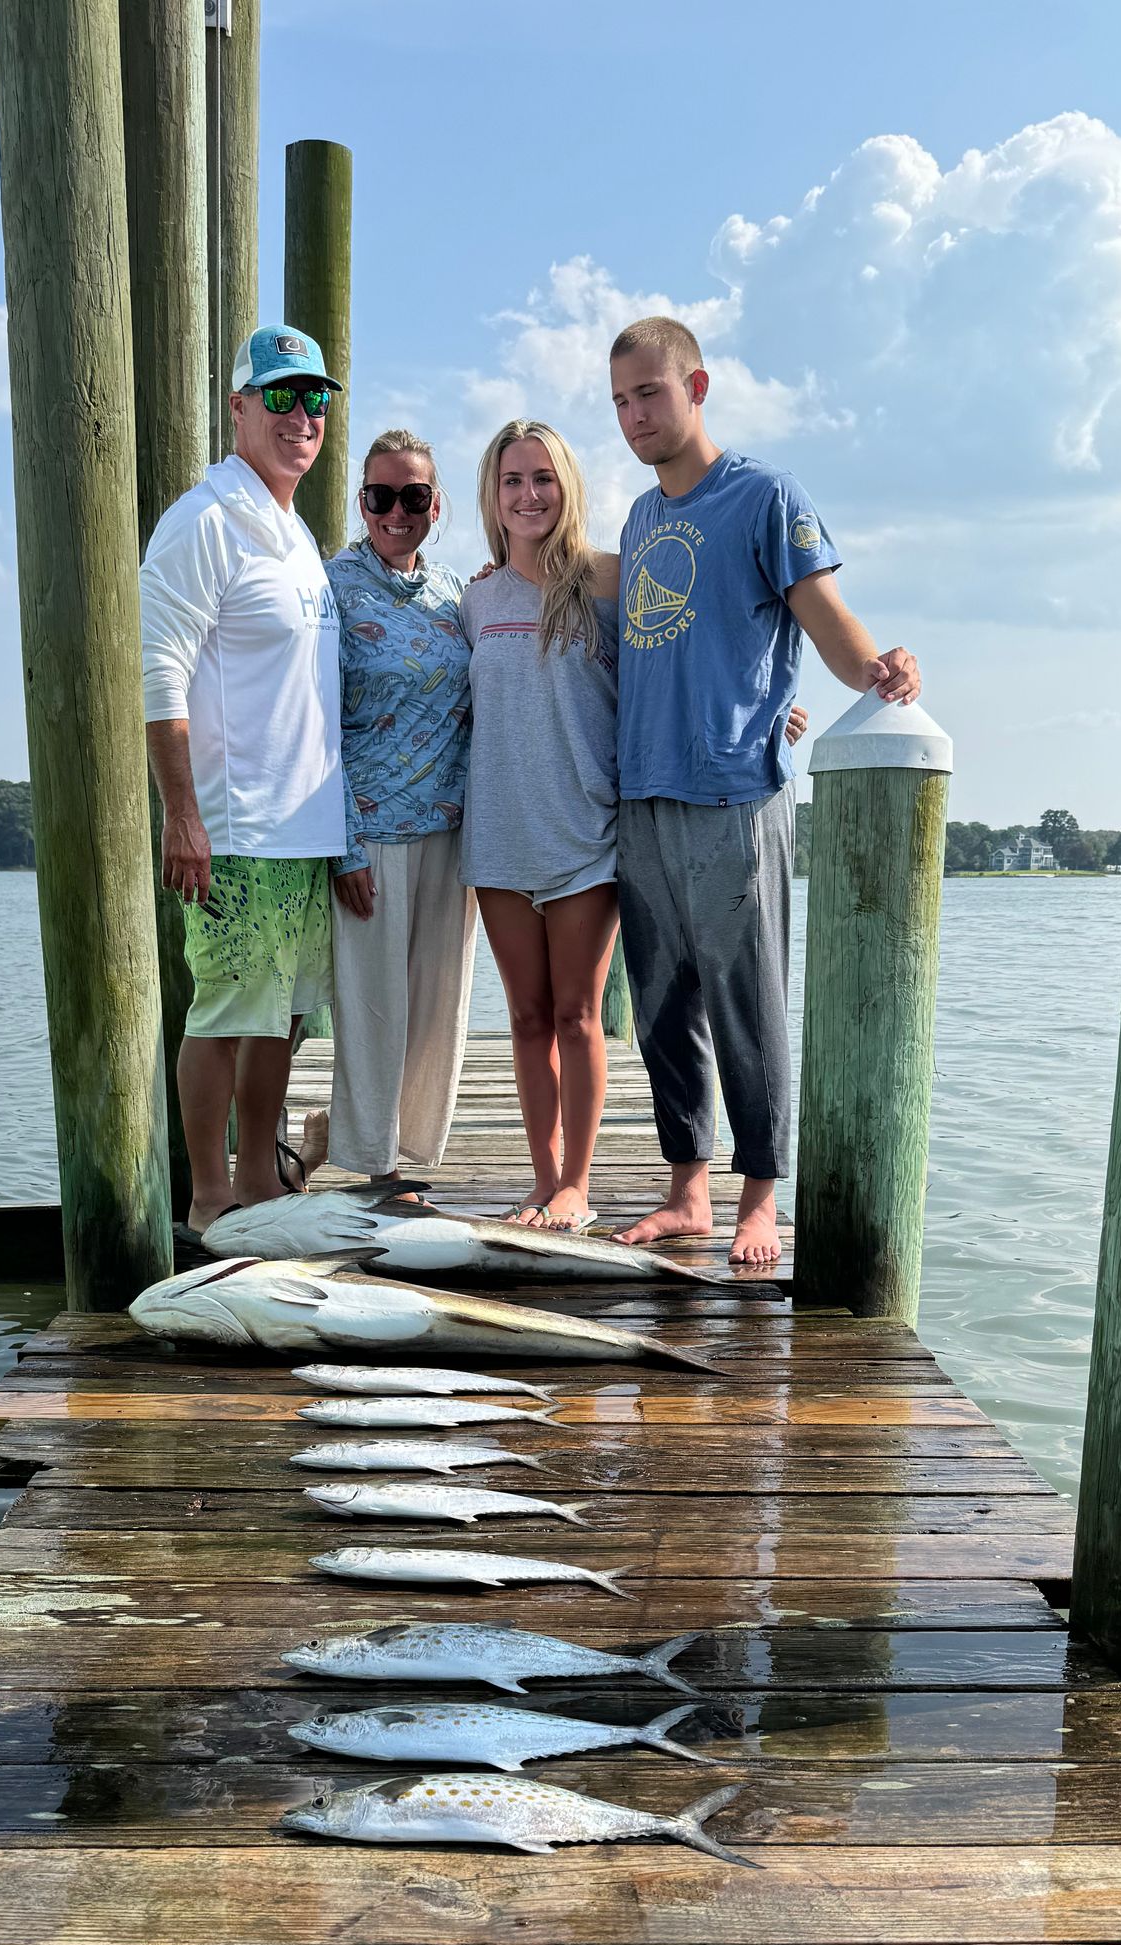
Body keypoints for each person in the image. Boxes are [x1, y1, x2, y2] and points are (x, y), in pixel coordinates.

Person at [606, 315, 921, 1268]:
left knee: (747, 995)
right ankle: (686, 1190)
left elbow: (822, 618)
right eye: (620, 401)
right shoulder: (639, 516)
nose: (634, 416)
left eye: (649, 393)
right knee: (661, 1000)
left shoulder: (765, 497)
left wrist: (875, 667)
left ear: (696, 388)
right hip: (644, 792)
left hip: (736, 787)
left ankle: (759, 1195)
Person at [138, 323, 344, 1231]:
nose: (301, 416)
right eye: (281, 396)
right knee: (223, 1010)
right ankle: (208, 1197)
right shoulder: (205, 521)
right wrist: (183, 814)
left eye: (316, 398)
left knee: (280, 1015)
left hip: (303, 829)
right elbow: (159, 673)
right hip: (236, 824)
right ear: (238, 408)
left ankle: (261, 1179)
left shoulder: (295, 533)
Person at [459, 420, 623, 1230]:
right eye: (512, 480)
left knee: (577, 1015)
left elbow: (685, 664)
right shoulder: (474, 599)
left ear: (567, 488)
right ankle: (541, 1173)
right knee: (526, 1017)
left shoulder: (609, 582)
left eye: (543, 479)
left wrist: (772, 710)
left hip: (586, 833)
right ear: (494, 495)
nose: (529, 495)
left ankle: (577, 1185)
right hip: (497, 836)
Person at [323, 431, 475, 1180]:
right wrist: (343, 846)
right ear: (362, 502)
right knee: (374, 1011)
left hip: (451, 833)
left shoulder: (457, 594)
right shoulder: (331, 587)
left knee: (433, 1012)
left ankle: (410, 1162)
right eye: (381, 496)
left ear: (434, 505)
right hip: (371, 831)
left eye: (413, 497)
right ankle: (367, 1166)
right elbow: (315, 726)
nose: (396, 512)